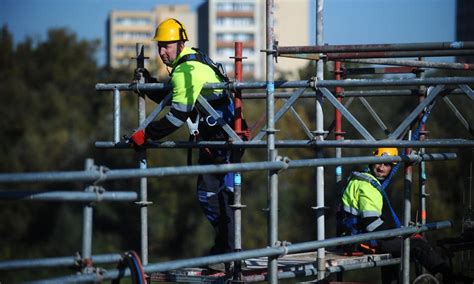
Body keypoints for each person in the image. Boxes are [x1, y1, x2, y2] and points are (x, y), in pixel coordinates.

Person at [128, 18, 238, 268]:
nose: (162, 51)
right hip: (223, 138)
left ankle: (229, 254)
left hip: (221, 141)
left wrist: (146, 135)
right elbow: (174, 97)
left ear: (180, 43)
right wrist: (149, 85)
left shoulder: (186, 71)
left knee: (212, 197)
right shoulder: (191, 61)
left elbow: (177, 115)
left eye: (167, 45)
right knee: (223, 196)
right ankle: (226, 251)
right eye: (160, 46)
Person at [337, 148, 457, 283]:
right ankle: (450, 278)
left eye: (387, 164)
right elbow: (372, 227)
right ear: (372, 162)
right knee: (418, 245)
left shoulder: (360, 178)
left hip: (351, 237)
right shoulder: (368, 188)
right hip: (361, 241)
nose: (382, 167)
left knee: (396, 249)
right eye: (379, 162)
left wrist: (409, 145)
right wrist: (400, 233)